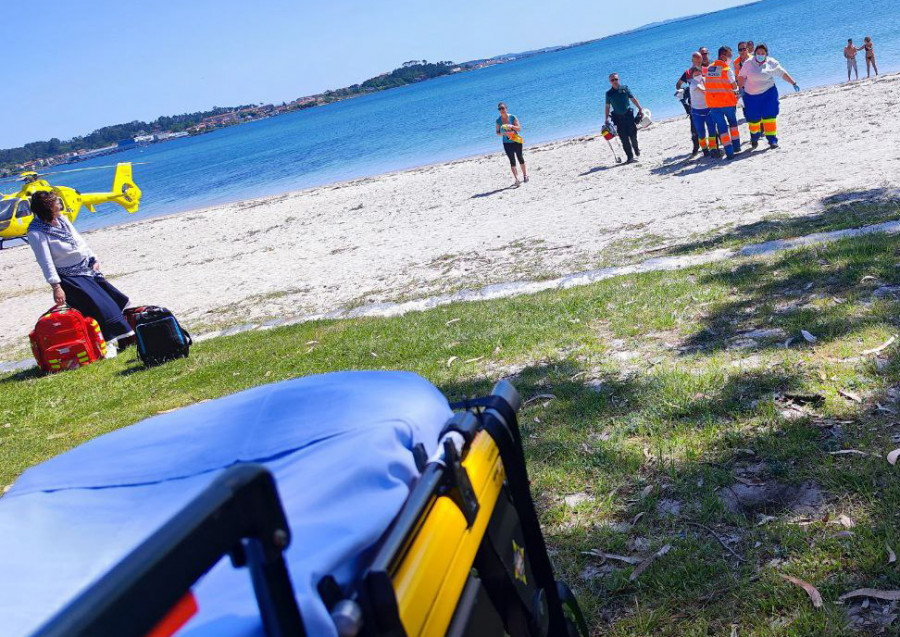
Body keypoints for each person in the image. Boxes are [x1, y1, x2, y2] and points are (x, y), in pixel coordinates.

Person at [27, 191, 134, 349]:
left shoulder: (61, 219)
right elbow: (45, 261)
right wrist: (56, 287)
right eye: (56, 204)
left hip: (87, 269)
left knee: (114, 299)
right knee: (99, 307)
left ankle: (125, 338)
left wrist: (93, 257)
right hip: (70, 278)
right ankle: (106, 343)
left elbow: (79, 241)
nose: (60, 206)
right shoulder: (36, 232)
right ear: (46, 208)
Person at [738, 43, 799, 149]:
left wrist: (793, 83)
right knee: (753, 120)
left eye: (763, 53)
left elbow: (782, 73)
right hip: (751, 96)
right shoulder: (748, 63)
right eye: (758, 53)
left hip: (768, 93)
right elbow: (741, 77)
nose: (760, 55)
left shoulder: (771, 62)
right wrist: (740, 90)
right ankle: (754, 137)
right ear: (755, 53)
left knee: (770, 117)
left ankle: (772, 140)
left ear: (766, 54)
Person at [705, 46, 742, 159]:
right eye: (730, 55)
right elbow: (734, 86)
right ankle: (736, 147)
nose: (731, 58)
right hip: (727, 103)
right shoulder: (727, 70)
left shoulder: (710, 69)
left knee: (722, 129)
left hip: (714, 104)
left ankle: (729, 152)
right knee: (733, 125)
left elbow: (710, 85)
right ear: (723, 56)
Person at [678, 52, 713, 157]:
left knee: (712, 127)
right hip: (694, 106)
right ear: (692, 61)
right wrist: (683, 91)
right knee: (696, 130)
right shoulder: (688, 73)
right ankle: (696, 148)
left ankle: (714, 148)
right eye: (696, 60)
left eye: (700, 59)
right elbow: (678, 84)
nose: (698, 61)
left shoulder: (708, 69)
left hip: (709, 104)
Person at [604, 73, 644, 164]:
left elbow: (633, 99)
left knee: (633, 136)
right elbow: (607, 107)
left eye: (616, 79)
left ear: (618, 79)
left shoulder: (625, 88)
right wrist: (606, 119)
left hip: (628, 116)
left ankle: (636, 149)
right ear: (610, 82)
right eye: (612, 80)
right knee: (624, 139)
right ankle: (630, 157)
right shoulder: (609, 93)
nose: (614, 81)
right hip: (618, 119)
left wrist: (640, 108)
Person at [495, 102, 528, 185]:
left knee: (520, 158)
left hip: (516, 140)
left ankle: (525, 175)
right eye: (500, 109)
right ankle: (516, 179)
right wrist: (504, 133)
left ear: (506, 108)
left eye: (503, 108)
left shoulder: (513, 117)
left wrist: (511, 126)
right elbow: (497, 132)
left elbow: (519, 129)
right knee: (512, 161)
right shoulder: (498, 121)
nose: (501, 110)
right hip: (506, 143)